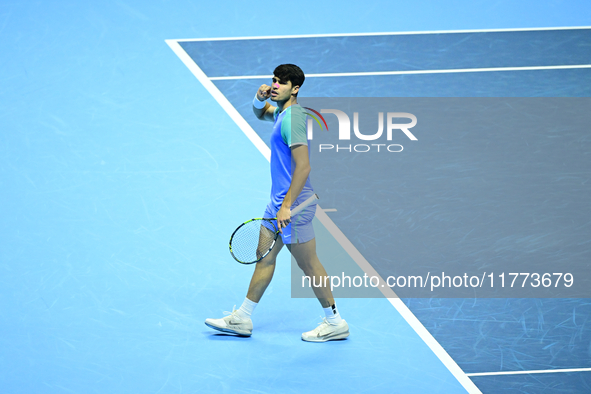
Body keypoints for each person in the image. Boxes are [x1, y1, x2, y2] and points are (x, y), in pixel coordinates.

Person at [205, 64, 349, 342]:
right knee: (265, 258)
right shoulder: (283, 113)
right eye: (273, 80)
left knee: (309, 266)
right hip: (278, 204)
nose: (275, 85)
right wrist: (259, 99)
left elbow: (304, 167)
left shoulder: (294, 118)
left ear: (295, 89)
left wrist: (287, 206)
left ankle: (335, 322)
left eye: (282, 82)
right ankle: (242, 318)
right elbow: (262, 113)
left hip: (294, 207)